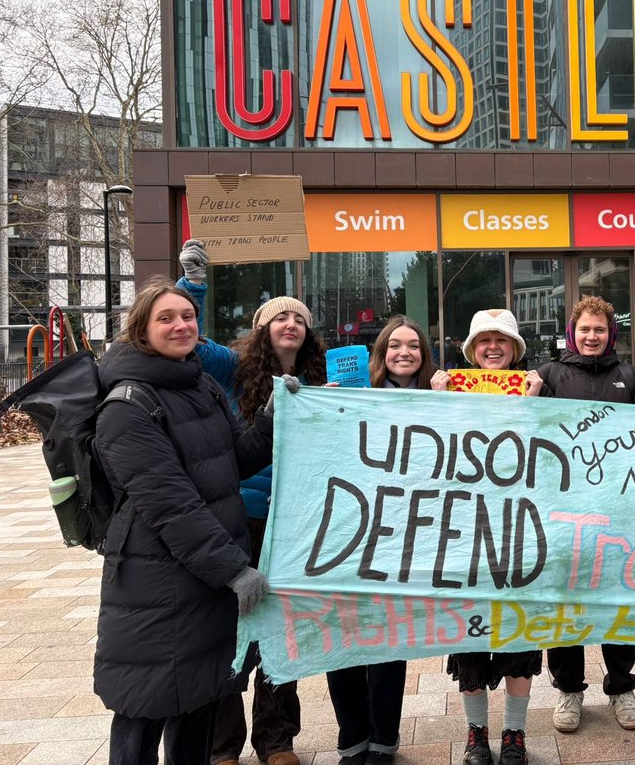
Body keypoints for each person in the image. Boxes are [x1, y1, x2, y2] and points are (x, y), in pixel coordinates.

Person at [94, 277, 278, 765]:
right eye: (166, 318)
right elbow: (171, 505)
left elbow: (233, 460)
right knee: (143, 712)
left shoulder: (199, 384)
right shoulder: (128, 404)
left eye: (187, 316)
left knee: (198, 704)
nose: (181, 325)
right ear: (141, 330)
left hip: (205, 582)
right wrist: (233, 570)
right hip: (156, 586)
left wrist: (273, 418)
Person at [178, 240, 322, 765]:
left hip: (296, 522)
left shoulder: (321, 381)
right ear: (263, 329)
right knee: (230, 627)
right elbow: (185, 339)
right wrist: (192, 283)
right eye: (279, 317)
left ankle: (277, 739)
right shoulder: (231, 366)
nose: (290, 324)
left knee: (282, 630)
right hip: (239, 517)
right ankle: (222, 744)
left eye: (298, 318)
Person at [315, 315, 436, 765]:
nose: (404, 353)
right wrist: (318, 408)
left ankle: (384, 739)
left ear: (423, 356)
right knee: (342, 636)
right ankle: (352, 738)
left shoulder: (438, 403)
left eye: (413, 346)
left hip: (405, 540)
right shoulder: (351, 398)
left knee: (390, 642)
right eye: (394, 346)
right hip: (347, 536)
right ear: (380, 354)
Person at [431, 308, 542, 765]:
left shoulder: (538, 390)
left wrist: (536, 402)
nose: (492, 347)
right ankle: (477, 732)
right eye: (483, 341)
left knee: (519, 633)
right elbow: (431, 453)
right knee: (469, 632)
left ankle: (514, 734)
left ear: (514, 349)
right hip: (465, 532)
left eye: (501, 340)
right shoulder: (447, 392)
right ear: (471, 351)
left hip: (521, 531)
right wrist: (437, 402)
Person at [537, 296, 635, 734]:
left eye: (599, 330)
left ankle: (622, 687)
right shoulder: (547, 377)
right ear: (572, 332)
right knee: (564, 603)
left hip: (617, 509)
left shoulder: (631, 378)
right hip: (561, 511)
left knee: (617, 600)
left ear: (611, 334)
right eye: (585, 329)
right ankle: (569, 688)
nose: (592, 336)